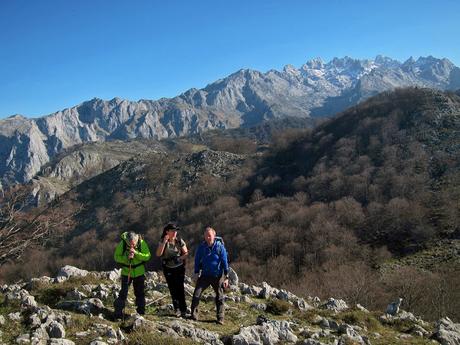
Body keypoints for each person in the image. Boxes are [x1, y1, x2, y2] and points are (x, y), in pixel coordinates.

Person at [191, 226, 229, 325]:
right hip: (205, 276)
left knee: (220, 297)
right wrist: (196, 272)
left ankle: (220, 318)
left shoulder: (220, 247)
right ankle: (194, 315)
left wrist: (226, 277)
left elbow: (225, 262)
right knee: (196, 294)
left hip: (217, 276)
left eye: (209, 235)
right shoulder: (201, 247)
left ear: (214, 236)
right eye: (206, 236)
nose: (208, 238)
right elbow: (197, 260)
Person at [113, 231, 151, 319]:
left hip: (139, 273)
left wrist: (136, 253)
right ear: (127, 241)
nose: (132, 246)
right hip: (127, 272)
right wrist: (126, 258)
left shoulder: (141, 243)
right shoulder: (122, 243)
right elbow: (116, 257)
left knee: (140, 293)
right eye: (130, 244)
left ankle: (141, 312)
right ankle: (118, 313)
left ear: (136, 240)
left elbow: (147, 256)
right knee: (123, 293)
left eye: (133, 244)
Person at [156, 222, 189, 318]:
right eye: (173, 231)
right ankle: (177, 309)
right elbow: (158, 254)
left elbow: (186, 253)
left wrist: (179, 258)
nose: (175, 233)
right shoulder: (163, 241)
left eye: (176, 231)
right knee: (172, 289)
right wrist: (164, 242)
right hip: (168, 268)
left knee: (180, 288)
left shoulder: (179, 241)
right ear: (167, 232)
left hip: (179, 268)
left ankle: (183, 309)